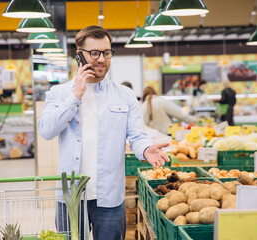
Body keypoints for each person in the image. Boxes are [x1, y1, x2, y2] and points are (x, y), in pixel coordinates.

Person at [37, 25, 169, 240]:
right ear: (79, 55)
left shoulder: (124, 96)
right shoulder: (59, 93)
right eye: (94, 53)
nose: (101, 59)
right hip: (70, 196)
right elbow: (47, 131)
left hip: (109, 197)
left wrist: (146, 149)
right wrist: (75, 96)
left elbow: (136, 135)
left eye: (106, 53)